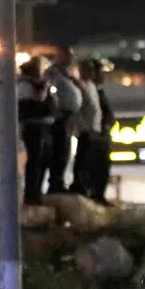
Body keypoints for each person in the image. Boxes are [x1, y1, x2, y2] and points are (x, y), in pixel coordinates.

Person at [16, 58, 55, 205]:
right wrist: (45, 87)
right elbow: (39, 100)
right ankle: (32, 193)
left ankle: (37, 192)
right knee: (35, 161)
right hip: (33, 127)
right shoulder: (25, 86)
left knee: (43, 160)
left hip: (43, 126)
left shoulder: (36, 85)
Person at [46, 50, 84, 195]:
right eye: (67, 56)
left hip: (68, 117)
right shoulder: (53, 73)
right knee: (59, 150)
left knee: (65, 150)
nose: (70, 59)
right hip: (60, 118)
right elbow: (50, 92)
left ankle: (59, 182)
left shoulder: (67, 73)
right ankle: (55, 183)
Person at [71, 60, 104, 201]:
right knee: (83, 161)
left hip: (95, 129)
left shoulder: (91, 86)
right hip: (86, 130)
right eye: (87, 69)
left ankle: (91, 189)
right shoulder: (80, 86)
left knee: (93, 163)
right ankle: (80, 187)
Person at [88, 64, 115, 205]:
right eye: (100, 73)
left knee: (103, 167)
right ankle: (95, 195)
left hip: (102, 135)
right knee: (96, 167)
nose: (103, 76)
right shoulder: (91, 90)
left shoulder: (99, 90)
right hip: (96, 135)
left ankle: (99, 195)